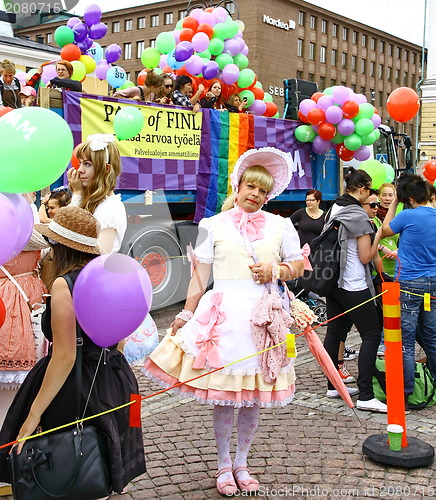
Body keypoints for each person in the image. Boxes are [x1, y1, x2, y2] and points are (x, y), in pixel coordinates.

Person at [144, 147, 304, 495]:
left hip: (262, 319)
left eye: (263, 191)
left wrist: (276, 270)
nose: (256, 195)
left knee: (252, 396)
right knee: (225, 398)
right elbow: (199, 277)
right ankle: (222, 465)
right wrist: (186, 313)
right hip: (224, 317)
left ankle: (242, 463)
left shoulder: (280, 225)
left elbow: (298, 266)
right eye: (251, 187)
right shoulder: (211, 224)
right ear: (238, 184)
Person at [0, 206, 146, 493]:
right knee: (102, 467)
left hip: (76, 388)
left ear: (60, 246)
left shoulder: (64, 284)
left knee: (71, 469)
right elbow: (120, 340)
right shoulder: (110, 277)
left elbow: (65, 356)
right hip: (117, 380)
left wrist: (33, 415)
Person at [322, 168, 387, 413]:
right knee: (371, 335)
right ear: (362, 190)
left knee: (335, 333)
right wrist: (378, 233)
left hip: (334, 283)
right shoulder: (359, 217)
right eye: (370, 191)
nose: (371, 196)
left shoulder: (334, 209)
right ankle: (366, 394)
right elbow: (365, 256)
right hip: (354, 284)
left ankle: (333, 385)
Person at [381, 173, 436, 399]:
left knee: (405, 340)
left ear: (410, 199)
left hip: (409, 283)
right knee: (432, 337)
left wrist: (394, 202)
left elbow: (385, 229)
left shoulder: (408, 215)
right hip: (433, 283)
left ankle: (406, 391)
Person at [67, 134, 127, 254]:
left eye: (87, 164)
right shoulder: (94, 201)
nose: (80, 170)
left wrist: (78, 193)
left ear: (106, 169)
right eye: (80, 163)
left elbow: (99, 256)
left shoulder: (110, 207)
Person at [373, 183, 399, 278]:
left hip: (396, 271)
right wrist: (381, 248)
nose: (387, 198)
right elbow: (368, 242)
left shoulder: (397, 219)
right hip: (378, 271)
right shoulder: (373, 218)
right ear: (379, 197)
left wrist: (398, 251)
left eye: (390, 195)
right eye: (384, 195)